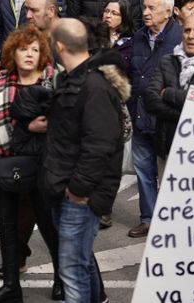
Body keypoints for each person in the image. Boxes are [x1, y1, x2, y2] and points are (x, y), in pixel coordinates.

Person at [42, 19, 128, 303]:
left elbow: (100, 145)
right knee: (79, 263)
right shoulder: (76, 79)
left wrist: (78, 190)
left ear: (59, 46)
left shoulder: (93, 85)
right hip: (66, 187)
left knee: (72, 271)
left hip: (78, 194)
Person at [0, 26, 62, 303]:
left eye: (35, 49)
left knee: (50, 225)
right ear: (12, 53)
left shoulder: (54, 81)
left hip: (45, 165)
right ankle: (11, 286)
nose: (29, 54)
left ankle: (62, 279)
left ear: (42, 55)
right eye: (23, 49)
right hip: (8, 163)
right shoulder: (1, 83)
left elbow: (68, 122)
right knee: (8, 225)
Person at [128, 0, 182, 238]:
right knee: (143, 170)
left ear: (168, 12)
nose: (145, 12)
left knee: (169, 173)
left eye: (151, 8)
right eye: (144, 7)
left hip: (166, 119)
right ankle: (148, 218)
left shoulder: (180, 40)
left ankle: (171, 220)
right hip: (140, 114)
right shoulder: (139, 37)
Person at [143, 13, 194, 160]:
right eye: (187, 30)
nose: (191, 36)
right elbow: (150, 100)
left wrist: (168, 94)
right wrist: (185, 115)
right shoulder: (167, 61)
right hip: (167, 150)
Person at [102, 0, 135, 69]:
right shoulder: (93, 36)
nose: (108, 16)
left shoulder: (130, 43)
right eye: (106, 11)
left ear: (124, 17)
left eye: (114, 13)